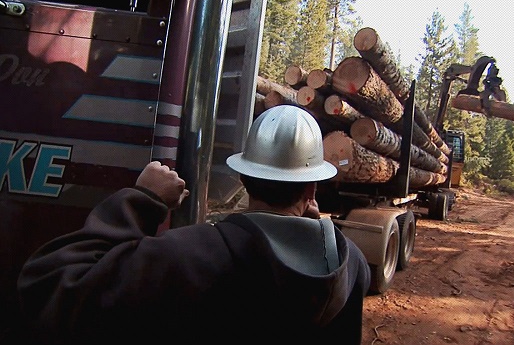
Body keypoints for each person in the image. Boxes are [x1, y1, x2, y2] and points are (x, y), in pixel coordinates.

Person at [17, 105, 371, 345]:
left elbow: (50, 287)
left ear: (244, 178)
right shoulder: (351, 265)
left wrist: (143, 201)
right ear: (312, 187)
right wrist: (311, 236)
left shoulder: (187, 255)